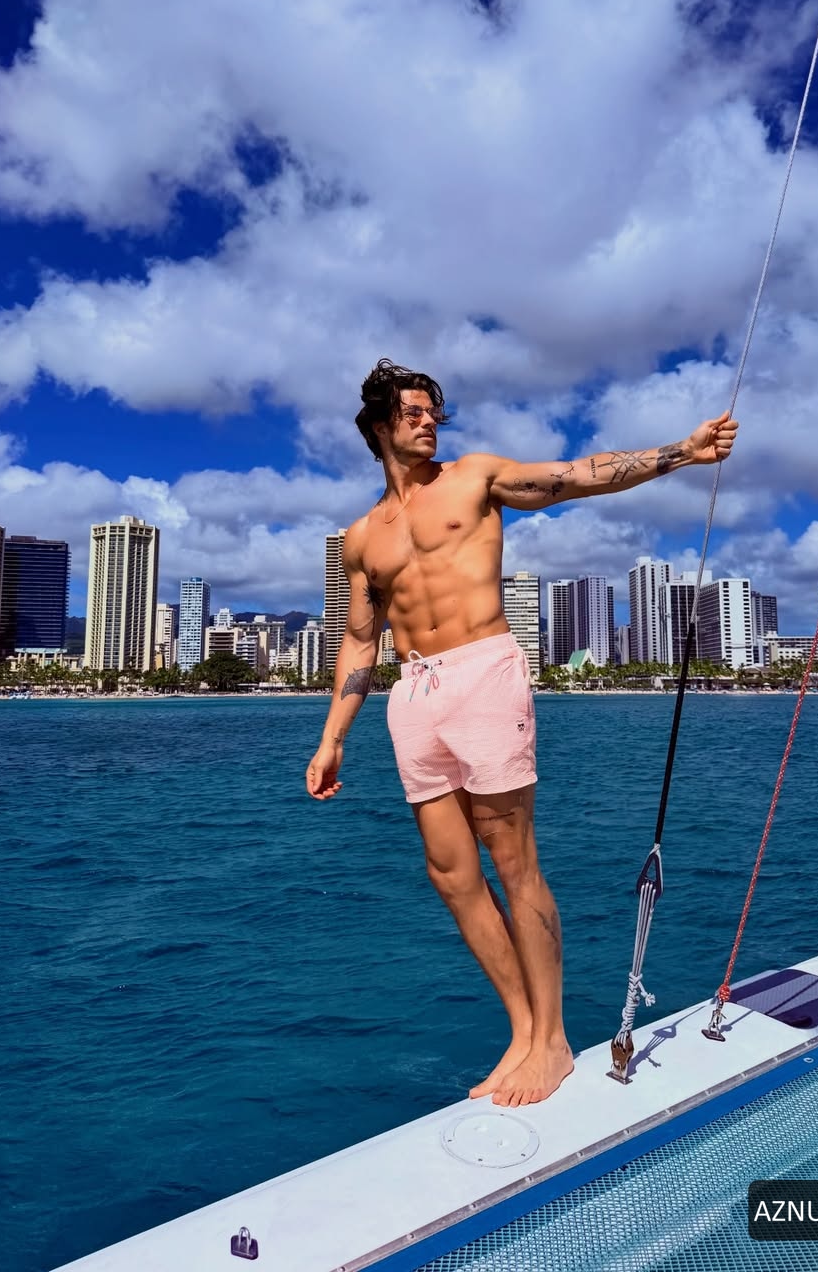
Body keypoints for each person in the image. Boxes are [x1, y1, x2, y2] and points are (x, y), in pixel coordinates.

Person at [305, 359, 739, 1106]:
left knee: (512, 859)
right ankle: (522, 1030)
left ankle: (554, 1041)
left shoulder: (473, 479)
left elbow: (574, 476)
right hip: (413, 694)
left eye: (433, 413)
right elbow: (358, 640)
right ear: (379, 427)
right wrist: (332, 738)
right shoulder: (360, 538)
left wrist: (681, 452)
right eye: (413, 413)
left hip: (483, 671)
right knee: (451, 874)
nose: (428, 423)